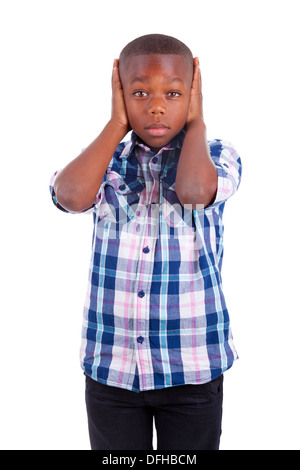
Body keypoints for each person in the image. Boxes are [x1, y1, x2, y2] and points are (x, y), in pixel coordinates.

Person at [49, 34, 242, 451]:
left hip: (191, 367)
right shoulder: (105, 161)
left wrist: (197, 121)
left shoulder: (217, 155)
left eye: (174, 93)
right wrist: (116, 124)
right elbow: (70, 196)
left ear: (193, 94)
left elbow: (193, 192)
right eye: (139, 92)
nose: (156, 105)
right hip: (112, 369)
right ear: (119, 93)